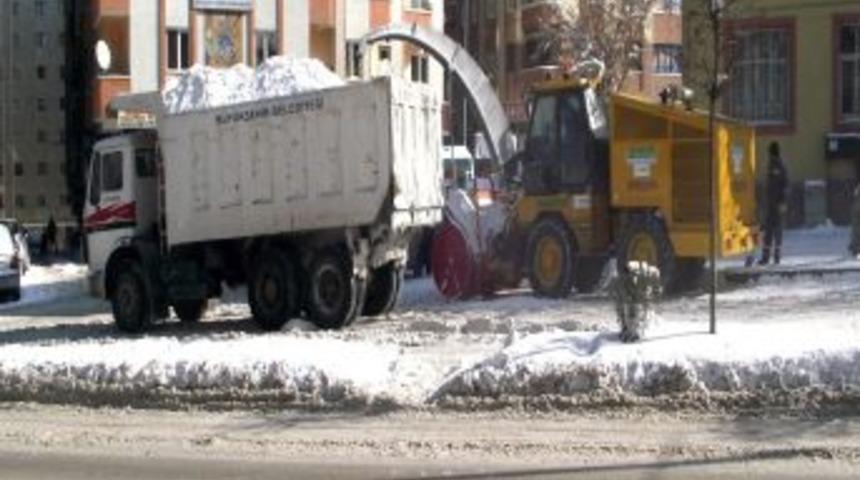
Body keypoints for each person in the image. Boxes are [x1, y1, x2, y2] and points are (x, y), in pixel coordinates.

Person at [758, 142, 789, 265]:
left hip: (777, 204)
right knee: (769, 231)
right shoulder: (773, 165)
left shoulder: (779, 166)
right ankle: (767, 257)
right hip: (771, 204)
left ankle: (775, 258)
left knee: (776, 231)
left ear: (772, 152)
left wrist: (782, 201)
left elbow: (785, 185)